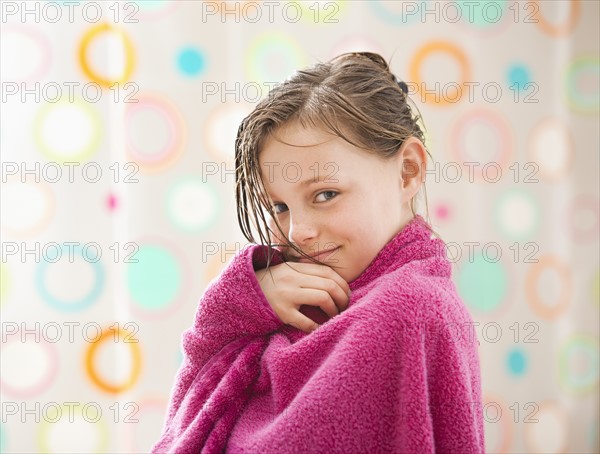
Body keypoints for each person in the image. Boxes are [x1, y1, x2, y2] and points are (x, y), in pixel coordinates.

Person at [152, 52, 485, 453]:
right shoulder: (287, 304)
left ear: (408, 171)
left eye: (325, 194)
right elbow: (190, 421)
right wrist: (240, 306)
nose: (298, 232)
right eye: (279, 207)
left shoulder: (409, 310)